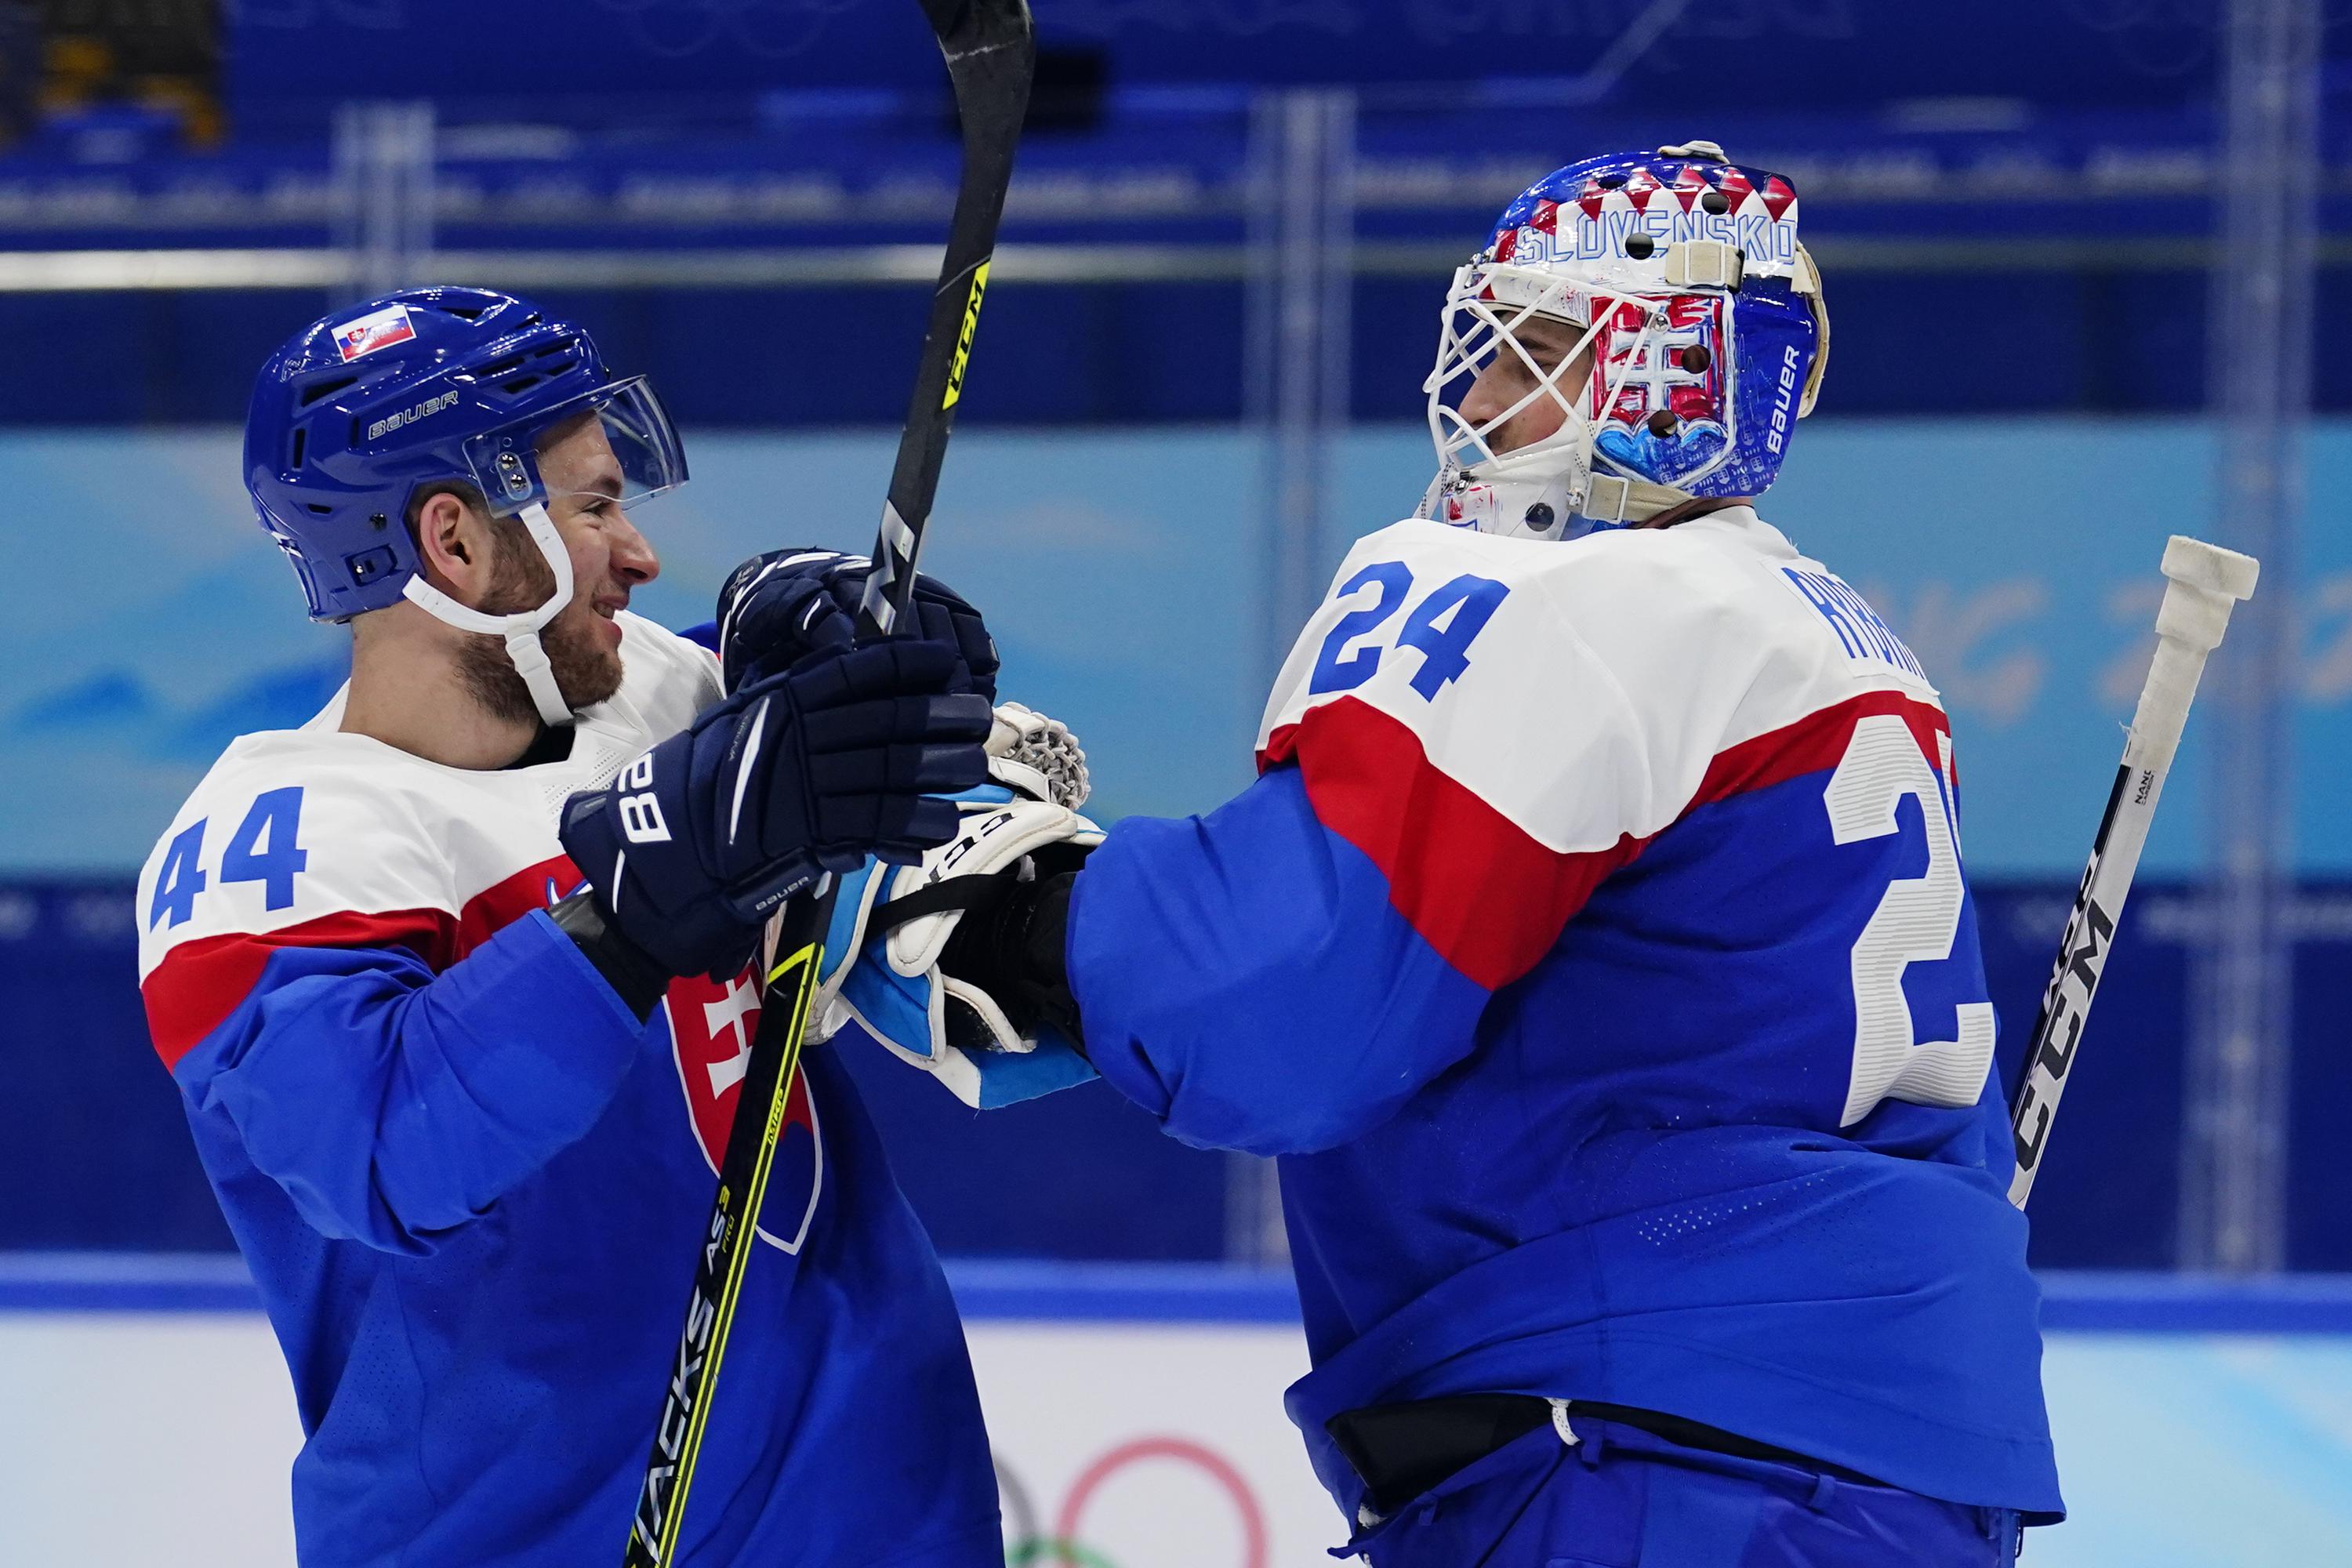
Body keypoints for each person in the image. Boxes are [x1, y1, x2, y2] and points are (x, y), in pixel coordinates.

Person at [829, 143, 2062, 1565]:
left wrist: (1001, 906)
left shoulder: (1577, 596)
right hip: (1868, 1465)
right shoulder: (1835, 635)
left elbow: (1284, 1010)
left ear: (1669, 382)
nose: (1473, 399)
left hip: (1655, 1462)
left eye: (1535, 348)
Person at [134, 287, 1011, 1568]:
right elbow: (387, 1150)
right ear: (452, 543)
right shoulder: (269, 848)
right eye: (596, 507)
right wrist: (657, 894)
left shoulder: (656, 692)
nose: (640, 554)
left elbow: (773, 784)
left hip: (874, 1495)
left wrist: (820, 637)